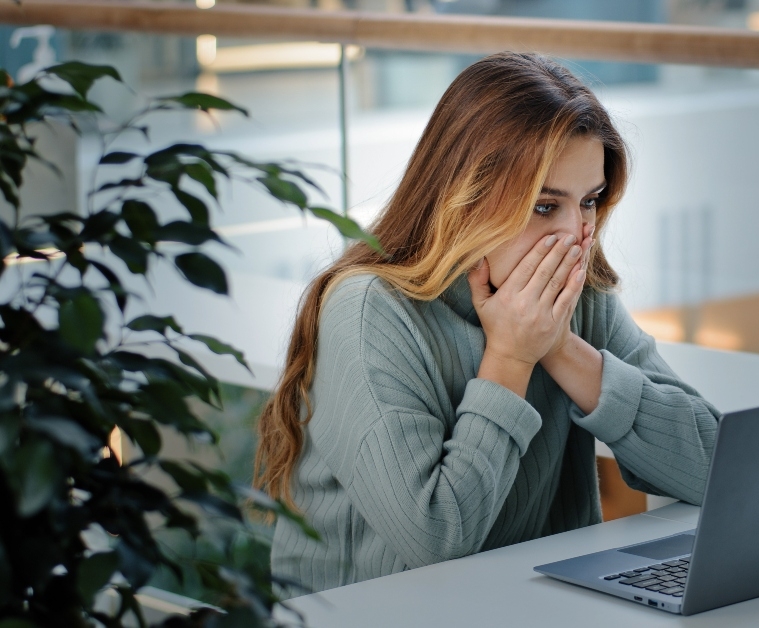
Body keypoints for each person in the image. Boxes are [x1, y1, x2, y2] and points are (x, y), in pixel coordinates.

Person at [255, 51, 721, 595]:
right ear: (465, 199)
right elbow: (435, 539)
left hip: (531, 609)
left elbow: (715, 470)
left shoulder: (576, 297)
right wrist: (511, 357)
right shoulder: (368, 311)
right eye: (546, 207)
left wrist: (560, 348)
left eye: (589, 201)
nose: (578, 235)